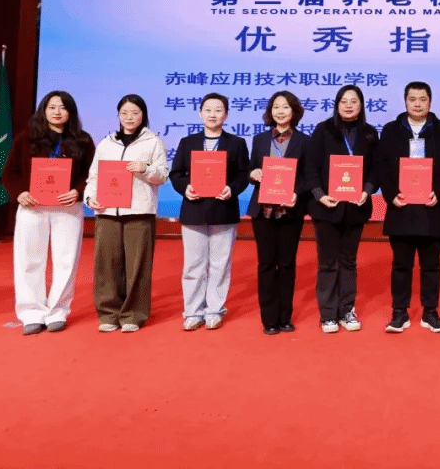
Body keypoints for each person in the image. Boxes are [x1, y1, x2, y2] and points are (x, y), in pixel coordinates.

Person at [2, 90, 95, 335]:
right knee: (29, 260)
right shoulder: (26, 138)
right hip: (32, 207)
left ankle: (57, 311)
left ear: (71, 113)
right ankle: (31, 313)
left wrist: (77, 191)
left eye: (63, 108)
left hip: (67, 208)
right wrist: (20, 193)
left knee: (66, 261)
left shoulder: (83, 140)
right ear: (43, 110)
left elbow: (91, 173)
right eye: (52, 107)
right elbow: (10, 172)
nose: (57, 112)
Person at [377, 81, 440, 333]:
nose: (417, 104)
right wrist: (391, 194)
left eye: (422, 99)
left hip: (431, 206)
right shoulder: (391, 130)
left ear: (430, 102)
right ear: (405, 101)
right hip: (401, 207)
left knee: (431, 265)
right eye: (412, 99)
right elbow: (382, 166)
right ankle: (399, 312)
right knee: (401, 265)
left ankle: (430, 313)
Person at [83, 94, 168, 333]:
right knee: (106, 265)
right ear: (118, 115)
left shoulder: (153, 142)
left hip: (139, 212)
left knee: (137, 266)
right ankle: (108, 313)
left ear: (143, 115)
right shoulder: (106, 143)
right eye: (124, 113)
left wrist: (146, 169)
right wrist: (90, 198)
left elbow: (162, 175)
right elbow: (94, 177)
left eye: (135, 113)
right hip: (107, 212)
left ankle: (133, 314)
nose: (129, 117)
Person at [168, 92, 250, 331]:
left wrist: (231, 189)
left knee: (220, 264)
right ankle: (193, 311)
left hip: (223, 209)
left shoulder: (236, 143)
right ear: (200, 113)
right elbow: (176, 173)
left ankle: (214, 310)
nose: (212, 114)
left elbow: (243, 174)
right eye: (208, 110)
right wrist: (186, 187)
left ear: (226, 115)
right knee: (193, 265)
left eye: (218, 110)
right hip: (194, 209)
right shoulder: (188, 142)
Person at [302, 84, 378, 333]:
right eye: (343, 101)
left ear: (361, 105)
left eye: (353, 101)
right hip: (327, 207)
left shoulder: (369, 133)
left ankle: (346, 309)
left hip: (355, 207)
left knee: (348, 261)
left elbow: (376, 169)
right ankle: (327, 314)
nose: (348, 105)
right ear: (336, 105)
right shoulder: (323, 129)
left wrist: (367, 190)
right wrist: (320, 195)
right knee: (327, 262)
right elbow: (311, 168)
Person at [246, 91, 308, 335]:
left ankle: (285, 317)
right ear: (270, 112)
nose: (280, 111)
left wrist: (297, 193)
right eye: (276, 107)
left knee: (287, 264)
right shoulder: (260, 139)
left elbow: (307, 176)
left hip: (290, 210)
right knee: (266, 264)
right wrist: (253, 174)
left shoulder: (305, 141)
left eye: (285, 107)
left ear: (294, 111)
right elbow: (251, 168)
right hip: (264, 211)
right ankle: (269, 319)